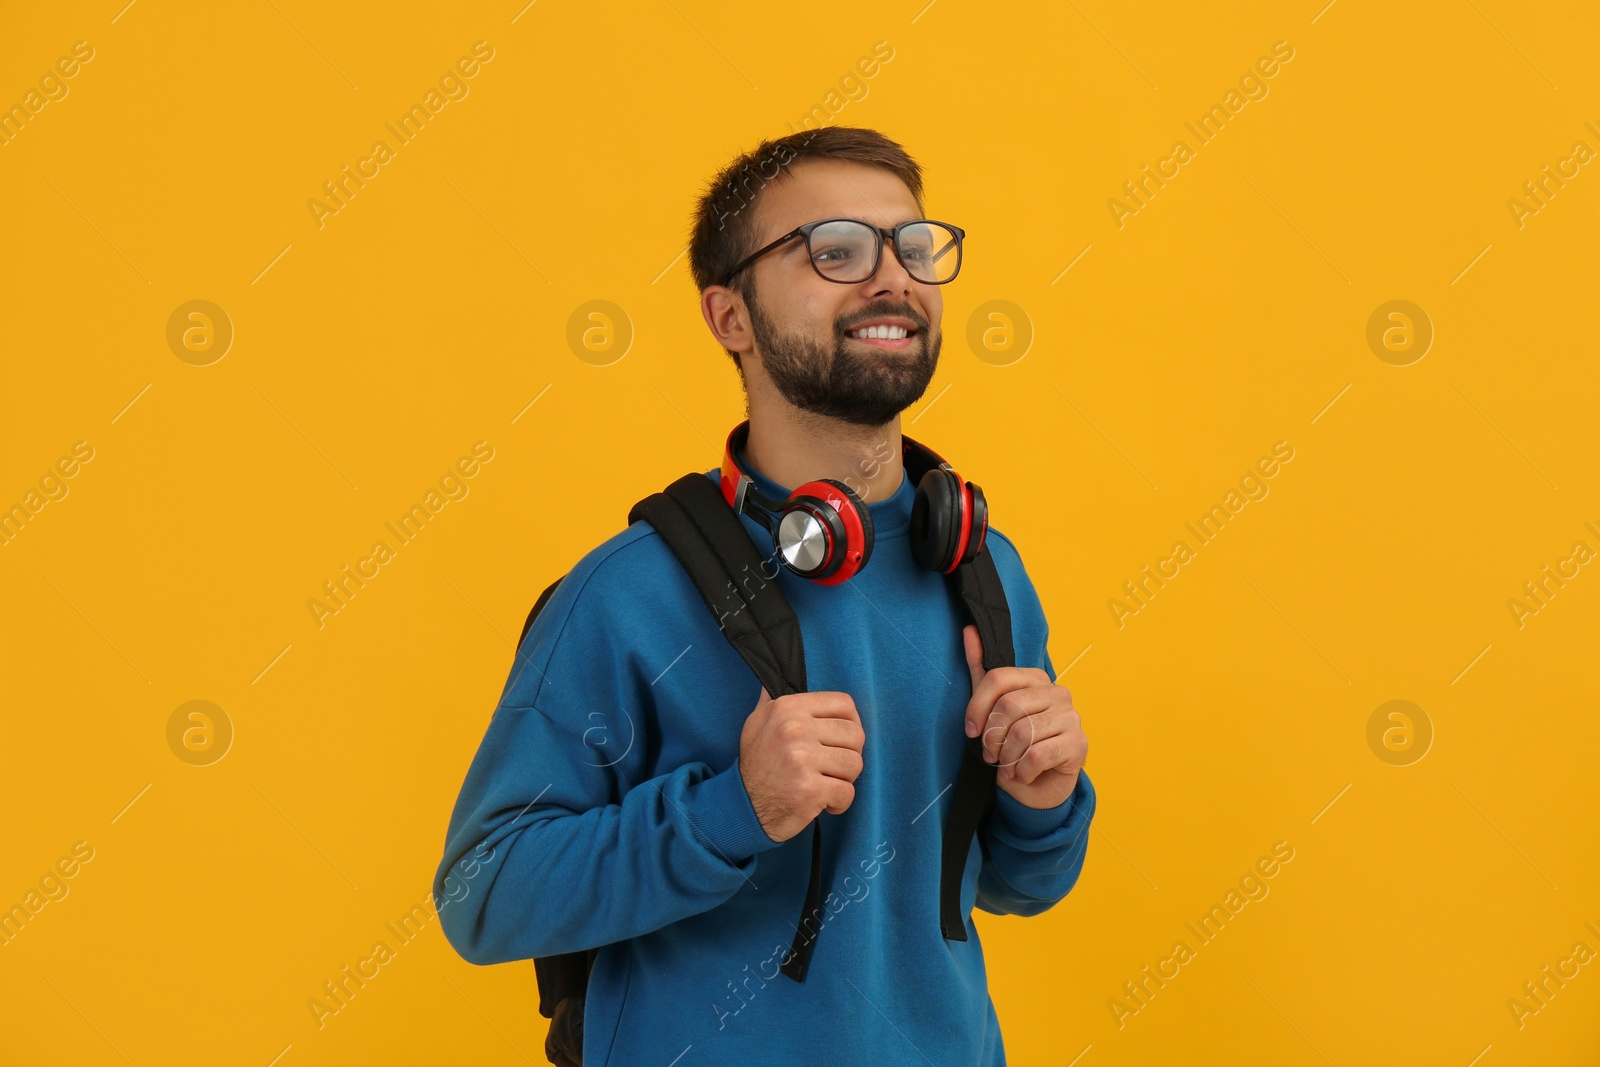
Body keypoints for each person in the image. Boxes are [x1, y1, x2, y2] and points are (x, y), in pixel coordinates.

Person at [433, 125, 1095, 1065]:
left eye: (913, 247)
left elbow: (1019, 887)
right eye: (834, 250)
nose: (891, 280)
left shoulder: (984, 570)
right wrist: (733, 809)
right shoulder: (627, 594)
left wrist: (1046, 796)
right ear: (728, 317)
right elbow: (484, 895)